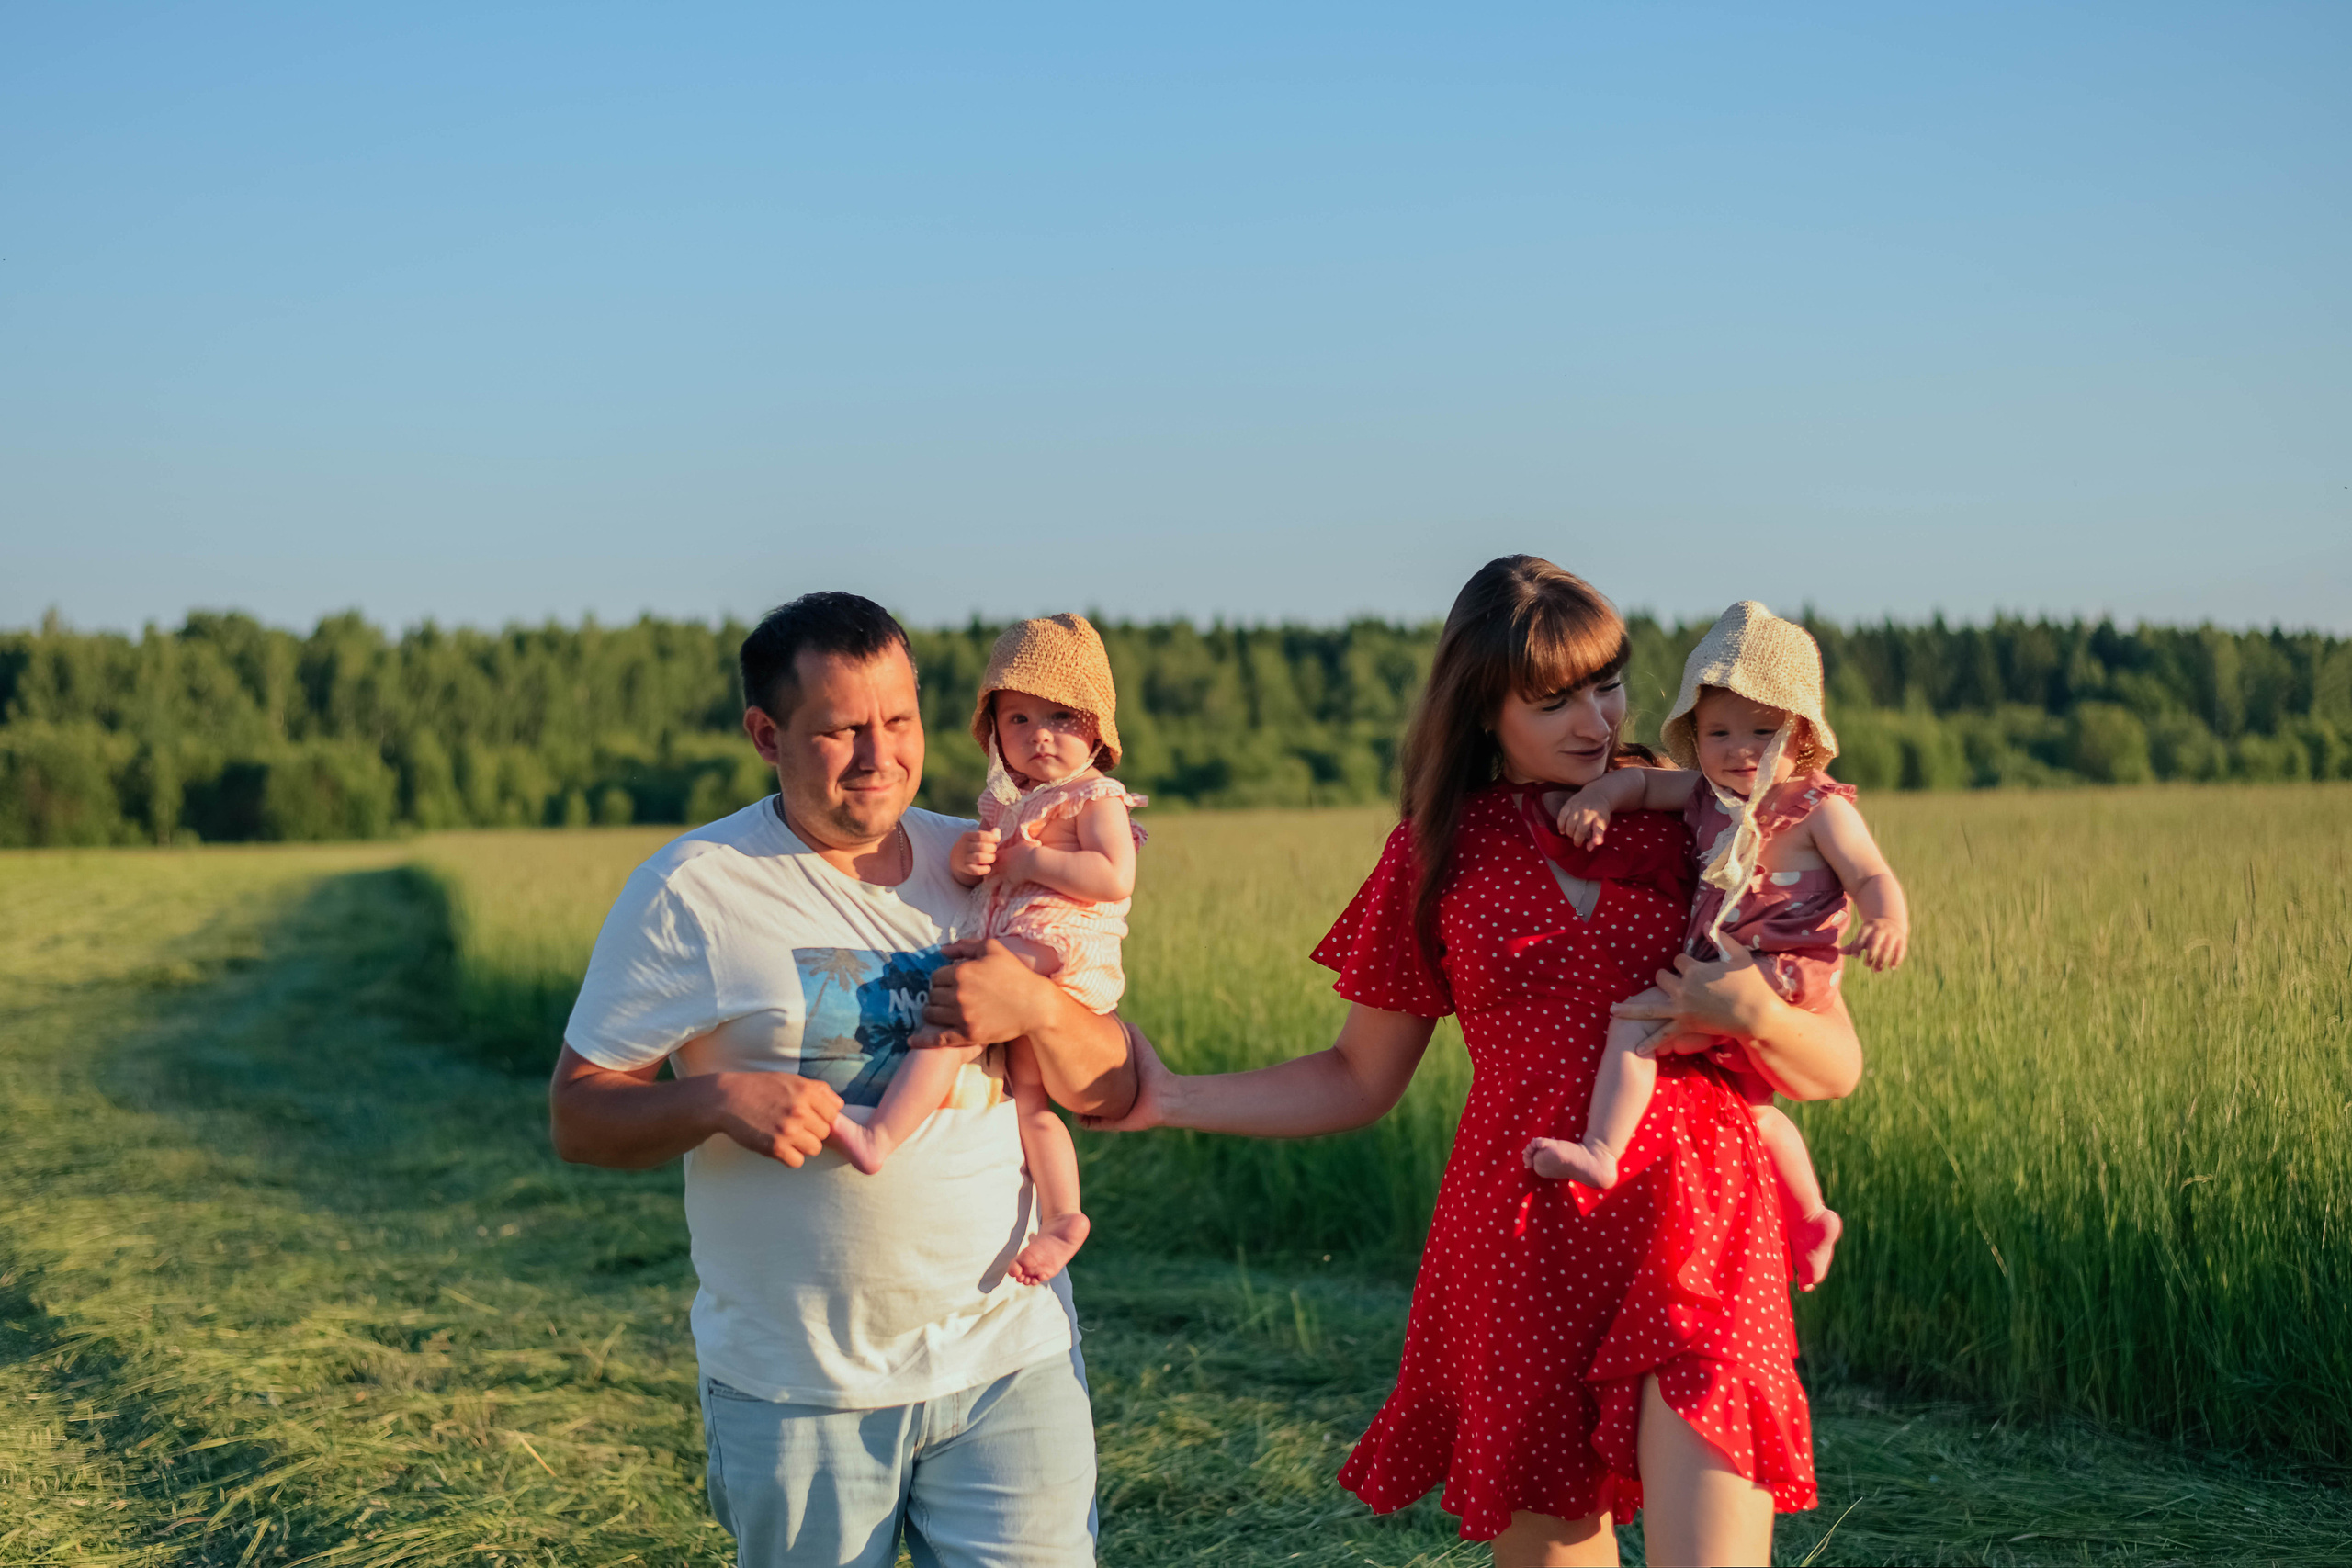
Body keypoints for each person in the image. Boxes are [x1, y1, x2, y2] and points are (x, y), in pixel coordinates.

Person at [1084, 557, 1862, 1567]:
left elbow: (1832, 1064)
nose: (1594, 719)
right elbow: (1358, 1076)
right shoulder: (1436, 853)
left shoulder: (1703, 816)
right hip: (1523, 1237)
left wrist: (1752, 1008)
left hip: (1702, 1224)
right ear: (1483, 710)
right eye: (1553, 702)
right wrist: (1175, 1096)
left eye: (1608, 685)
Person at [547, 591, 1135, 1568]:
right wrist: (715, 1100)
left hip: (1009, 1360)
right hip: (799, 1390)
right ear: (766, 733)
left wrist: (1033, 1009)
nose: (880, 756)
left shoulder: (984, 860)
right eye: (842, 730)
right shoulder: (694, 888)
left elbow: (1108, 1086)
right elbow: (577, 1116)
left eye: (899, 721)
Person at [1526, 600, 1909, 1290]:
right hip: (1720, 971)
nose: (1739, 749)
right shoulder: (1705, 798)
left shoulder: (1818, 807)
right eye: (1718, 731)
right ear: (1694, 735)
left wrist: (1887, 919)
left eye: (1762, 731)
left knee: (1635, 1022)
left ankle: (1602, 1148)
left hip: (1784, 973)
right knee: (1753, 1109)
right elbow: (1643, 781)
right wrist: (1603, 798)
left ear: (1801, 736)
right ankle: (1813, 1213)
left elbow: (1870, 872)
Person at [829, 613, 1146, 1292]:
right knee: (1031, 1102)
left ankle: (881, 1134)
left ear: (1096, 727)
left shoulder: (1096, 798)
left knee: (955, 1016)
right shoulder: (1007, 806)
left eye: (1061, 717)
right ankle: (1064, 1215)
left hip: (1060, 951)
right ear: (994, 733)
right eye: (1019, 720)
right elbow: (988, 874)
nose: (1040, 736)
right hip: (1023, 947)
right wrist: (974, 860)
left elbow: (1114, 878)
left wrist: (1030, 857)